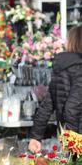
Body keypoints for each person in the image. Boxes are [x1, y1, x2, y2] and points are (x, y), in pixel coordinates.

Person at [29, 25, 82, 153]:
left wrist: (36, 136)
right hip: (76, 136)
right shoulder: (79, 68)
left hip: (68, 132)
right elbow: (71, 108)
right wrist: (74, 143)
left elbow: (47, 105)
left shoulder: (61, 67)